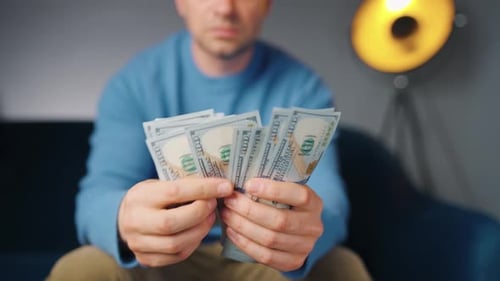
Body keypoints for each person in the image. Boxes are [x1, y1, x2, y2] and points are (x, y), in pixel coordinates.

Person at [47, 0, 372, 280]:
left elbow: (329, 201)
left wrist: (304, 233)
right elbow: (98, 195)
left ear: (268, 4)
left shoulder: (303, 87)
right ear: (181, 2)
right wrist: (123, 221)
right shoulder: (135, 84)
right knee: (81, 269)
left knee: (340, 267)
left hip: (264, 260)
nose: (225, 9)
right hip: (159, 261)